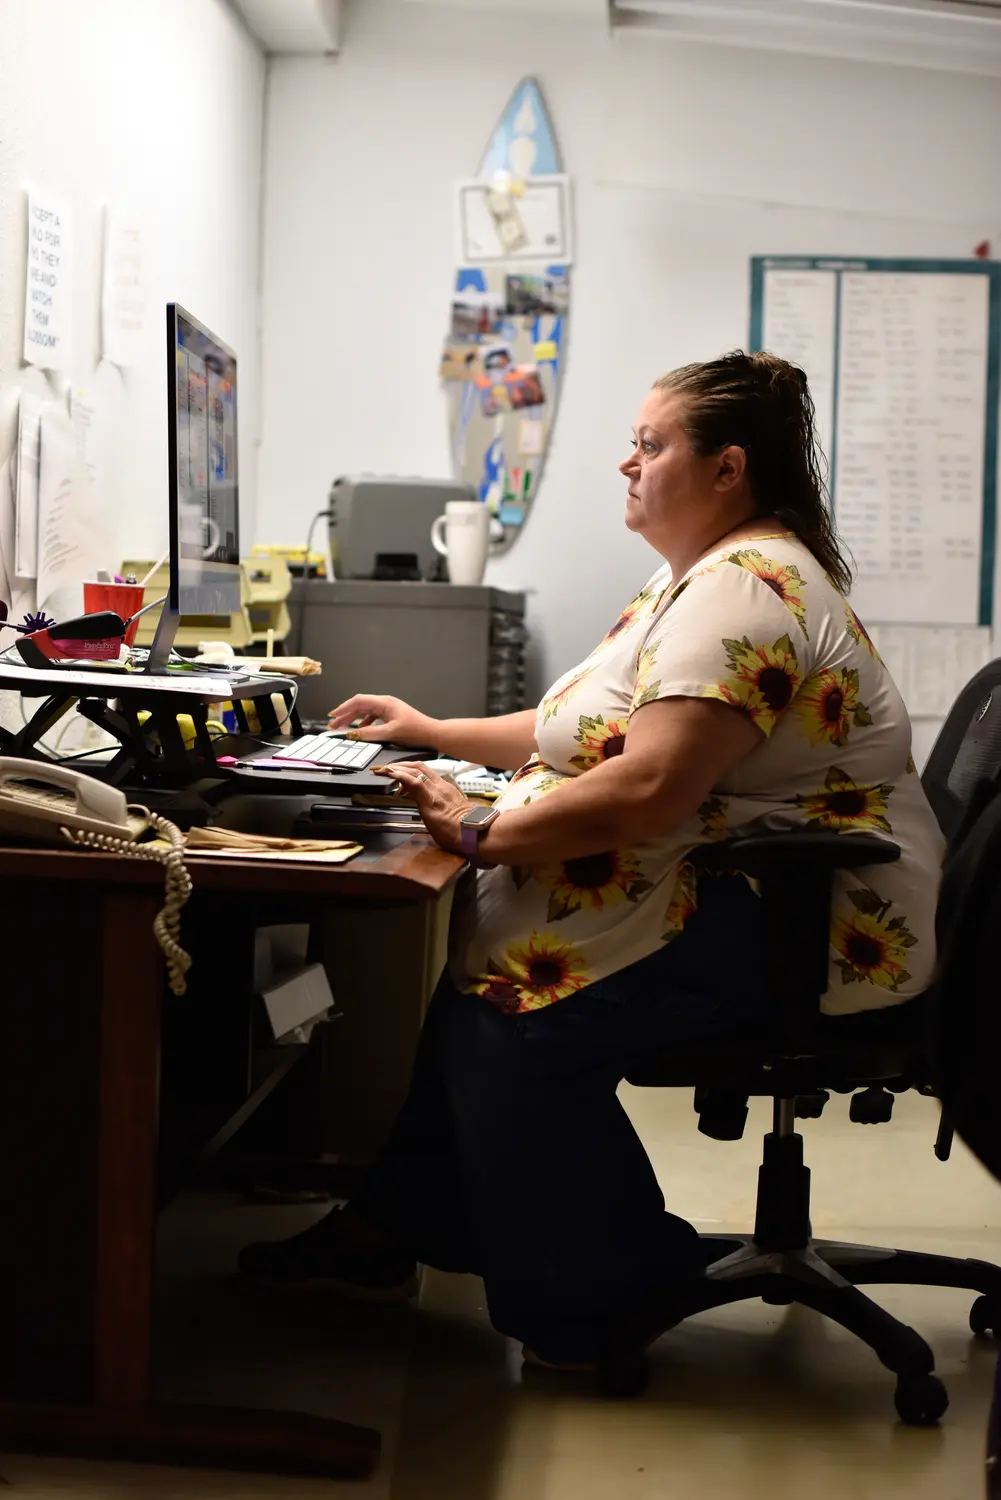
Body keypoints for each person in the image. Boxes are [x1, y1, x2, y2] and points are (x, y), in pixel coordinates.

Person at [239, 350, 945, 1369]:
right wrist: (430, 730)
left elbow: (649, 787)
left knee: (512, 1008)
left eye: (649, 445)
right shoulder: (694, 582)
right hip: (752, 886)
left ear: (725, 468)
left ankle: (605, 1299)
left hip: (815, 921)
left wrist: (480, 835)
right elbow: (579, 729)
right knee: (477, 973)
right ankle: (393, 1230)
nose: (625, 464)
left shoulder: (749, 592)